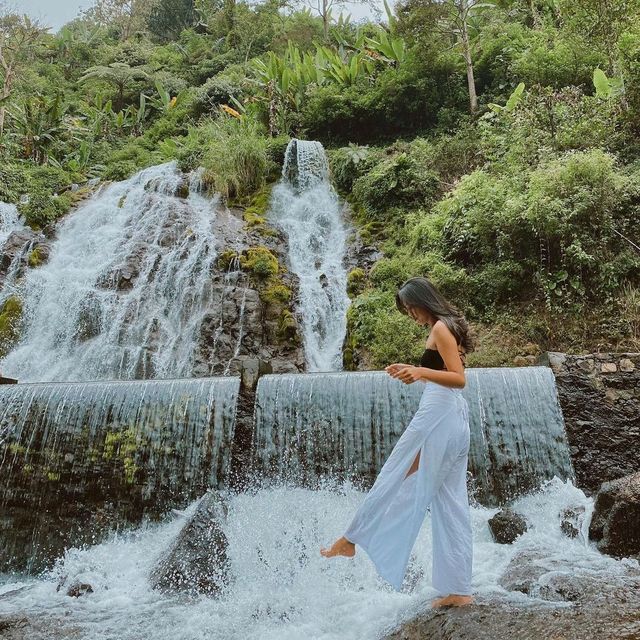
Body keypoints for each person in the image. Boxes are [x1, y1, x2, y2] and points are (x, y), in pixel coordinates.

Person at [320, 276, 475, 608]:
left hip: (439, 417)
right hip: (451, 417)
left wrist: (420, 372)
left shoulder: (440, 329)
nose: (411, 316)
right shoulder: (447, 326)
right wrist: (414, 369)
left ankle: (351, 539)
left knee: (395, 473)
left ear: (422, 301)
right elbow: (446, 374)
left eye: (410, 309)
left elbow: (459, 378)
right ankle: (458, 589)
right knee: (449, 500)